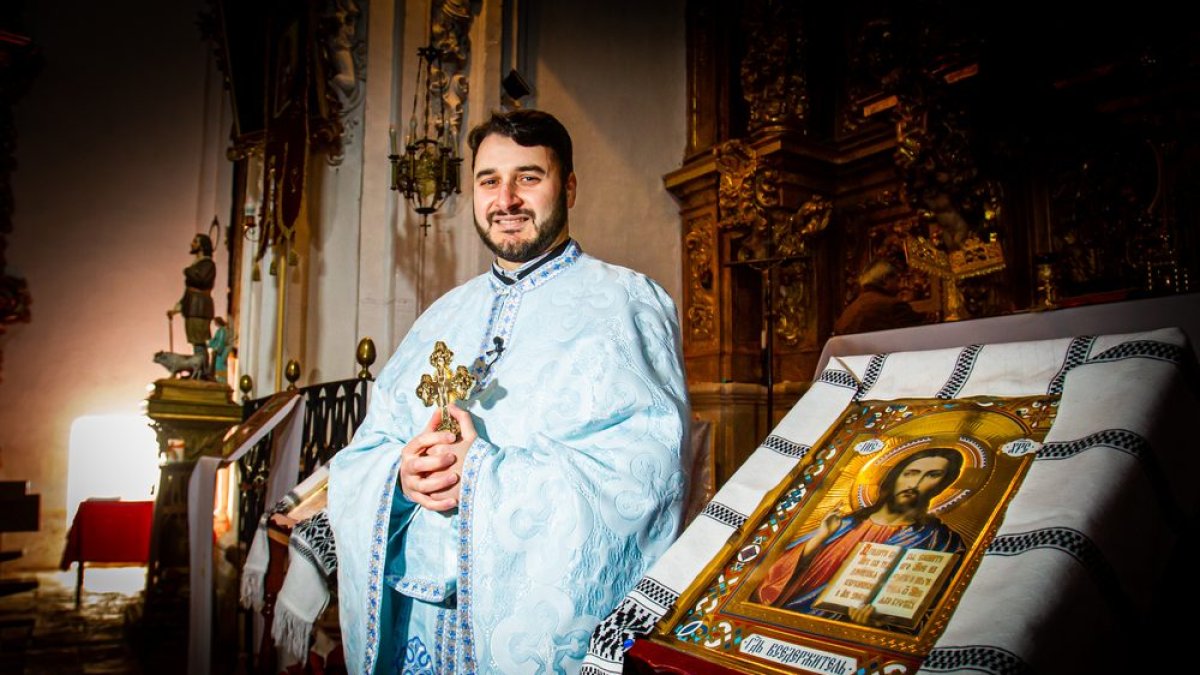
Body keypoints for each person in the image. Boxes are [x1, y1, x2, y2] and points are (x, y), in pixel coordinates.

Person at [327, 109, 689, 673]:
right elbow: (364, 453)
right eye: (489, 180)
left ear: (568, 186)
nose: (507, 198)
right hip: (416, 622)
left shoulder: (628, 302)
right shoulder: (441, 316)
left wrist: (483, 475)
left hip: (516, 625)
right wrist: (400, 476)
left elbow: (646, 474)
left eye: (529, 177)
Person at [756, 448, 965, 621]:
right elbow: (771, 580)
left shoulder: (939, 540)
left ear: (943, 485)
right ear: (895, 477)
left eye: (933, 475)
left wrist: (882, 620)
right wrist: (820, 537)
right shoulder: (842, 524)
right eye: (911, 473)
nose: (915, 484)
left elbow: (936, 609)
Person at [167, 233, 217, 378]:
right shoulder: (198, 264)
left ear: (202, 245)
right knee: (195, 343)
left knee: (199, 342)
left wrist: (188, 271)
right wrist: (176, 309)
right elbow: (188, 293)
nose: (192, 244)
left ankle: (203, 372)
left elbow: (200, 280)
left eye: (195, 241)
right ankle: (199, 370)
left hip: (200, 308)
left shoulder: (208, 264)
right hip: (192, 306)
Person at [833, 258, 924, 335]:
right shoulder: (894, 307)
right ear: (885, 279)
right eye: (897, 280)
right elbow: (920, 335)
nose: (900, 285)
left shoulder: (846, 314)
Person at [208, 317, 232, 383]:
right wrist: (209, 343)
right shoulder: (220, 330)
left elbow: (221, 342)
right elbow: (215, 340)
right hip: (218, 352)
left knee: (220, 366)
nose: (214, 323)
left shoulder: (222, 331)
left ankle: (221, 381)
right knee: (216, 367)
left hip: (220, 353)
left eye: (215, 322)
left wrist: (217, 349)